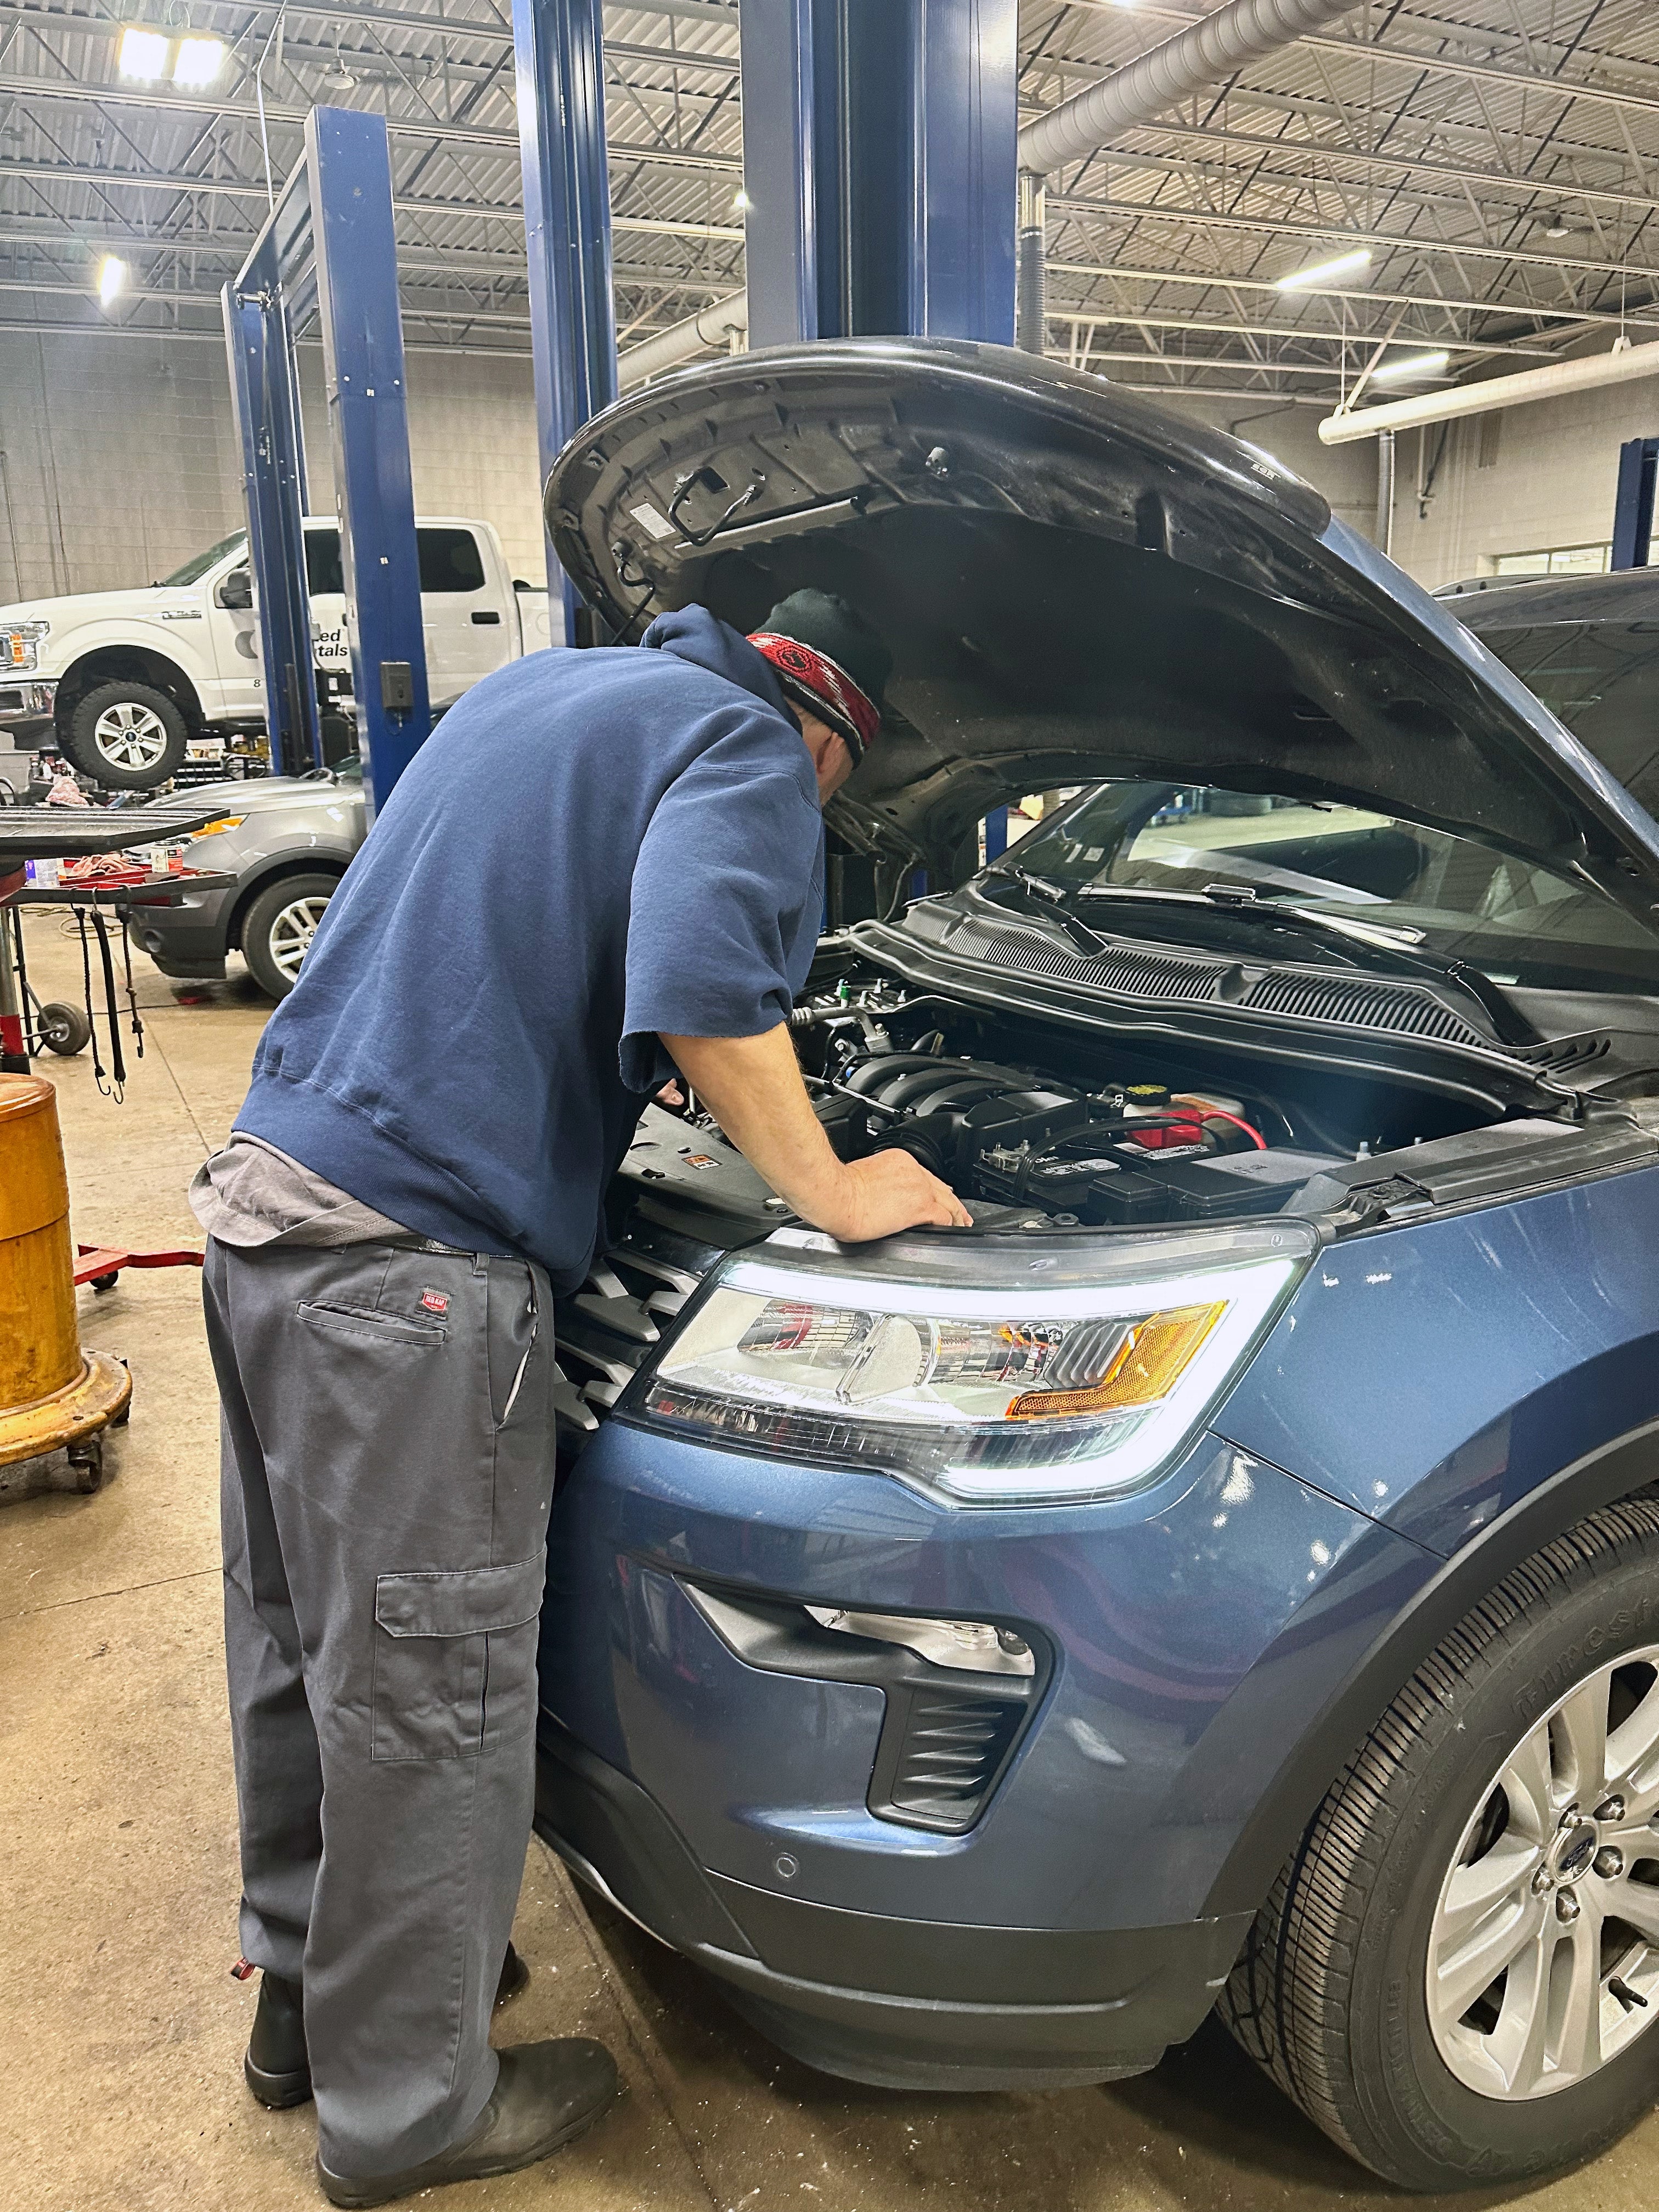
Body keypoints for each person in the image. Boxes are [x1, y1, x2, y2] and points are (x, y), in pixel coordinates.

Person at [191, 587, 969, 2208]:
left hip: (267, 1205)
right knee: (431, 1700)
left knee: (304, 1647)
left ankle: (303, 2014)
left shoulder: (551, 693)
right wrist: (826, 1179)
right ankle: (407, 2112)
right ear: (829, 740)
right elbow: (698, 975)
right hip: (407, 1273)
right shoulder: (755, 753)